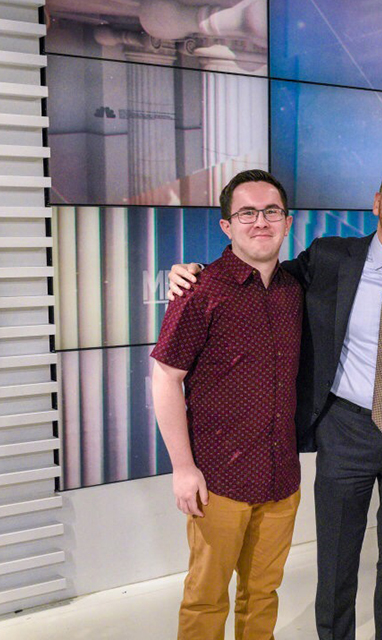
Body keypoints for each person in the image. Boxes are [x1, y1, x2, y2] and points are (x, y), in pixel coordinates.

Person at [168, 159, 382, 640]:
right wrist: (193, 271)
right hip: (346, 429)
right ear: (377, 203)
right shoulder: (331, 257)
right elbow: (257, 268)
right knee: (335, 561)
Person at [151, 169, 302, 640]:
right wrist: (182, 468)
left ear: (288, 221)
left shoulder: (295, 289)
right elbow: (165, 378)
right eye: (247, 213)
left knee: (263, 595)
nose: (261, 221)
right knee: (205, 599)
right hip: (218, 480)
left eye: (271, 211)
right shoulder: (200, 291)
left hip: (281, 478)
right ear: (226, 226)